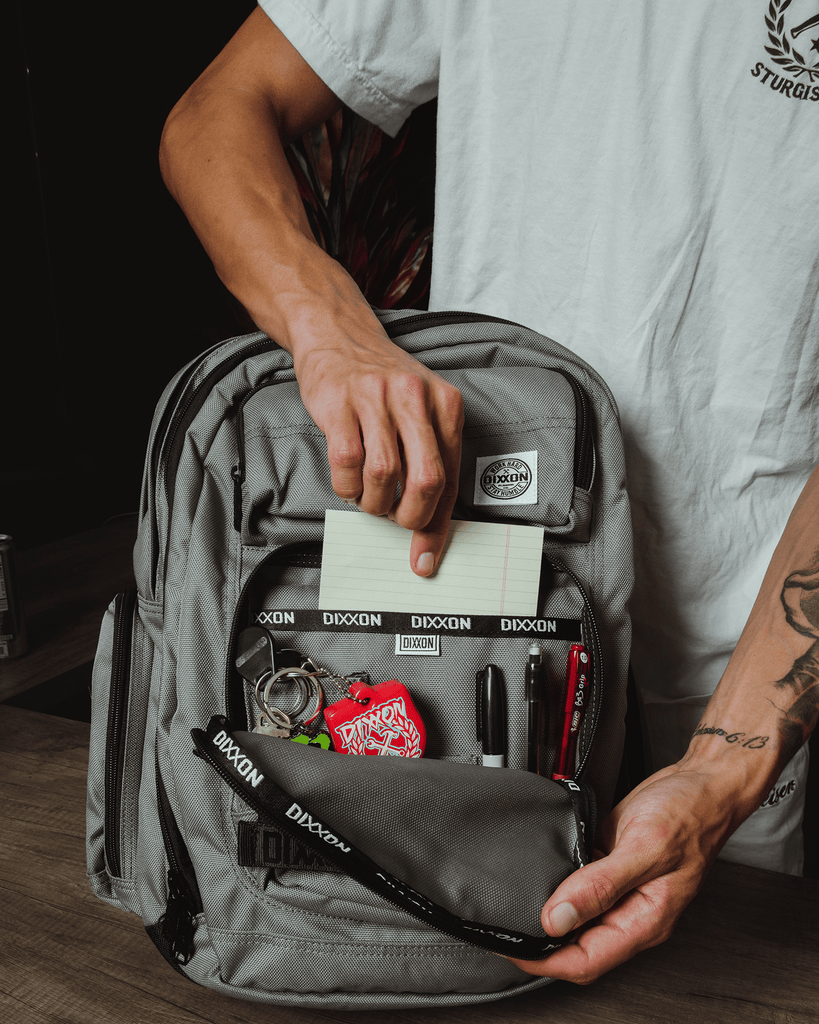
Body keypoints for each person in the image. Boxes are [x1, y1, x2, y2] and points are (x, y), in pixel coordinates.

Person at [159, 1, 819, 983]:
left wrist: (726, 763)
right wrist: (326, 318)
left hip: (748, 678)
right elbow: (216, 115)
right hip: (459, 613)